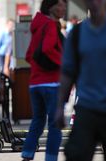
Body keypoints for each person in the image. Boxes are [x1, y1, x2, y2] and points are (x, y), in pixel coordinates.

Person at [55, 0, 106, 160]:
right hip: (86, 107)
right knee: (76, 154)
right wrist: (59, 106)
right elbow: (67, 73)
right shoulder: (77, 34)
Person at [21, 0, 66, 161]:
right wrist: (64, 64)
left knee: (38, 120)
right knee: (55, 124)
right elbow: (47, 49)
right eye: (60, 5)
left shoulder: (38, 26)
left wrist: (38, 68)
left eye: (64, 5)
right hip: (52, 83)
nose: (63, 8)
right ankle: (51, 158)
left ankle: (27, 154)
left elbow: (28, 55)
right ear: (50, 6)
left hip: (35, 84)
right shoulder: (51, 25)